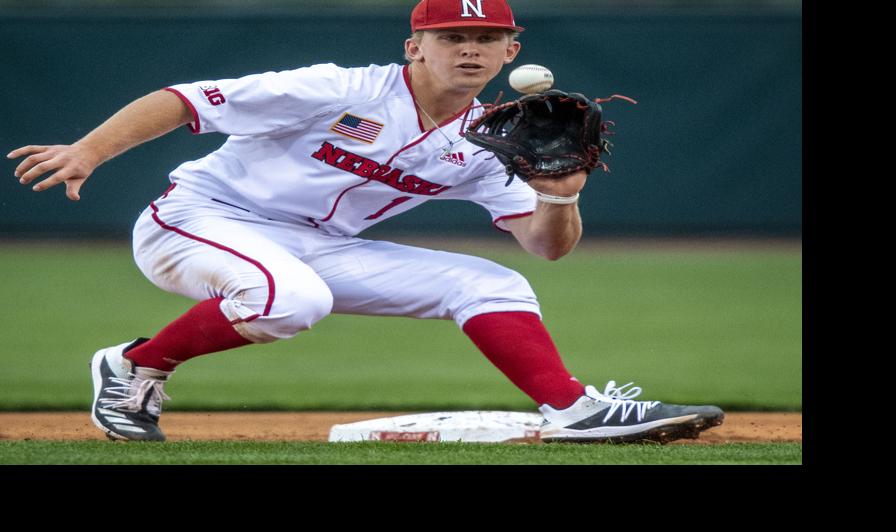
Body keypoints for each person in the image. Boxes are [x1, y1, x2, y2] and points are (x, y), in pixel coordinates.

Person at [6, 0, 723, 444]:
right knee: (293, 300)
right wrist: (89, 151)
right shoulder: (338, 88)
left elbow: (547, 249)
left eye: (487, 38)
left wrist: (561, 195)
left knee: (490, 284)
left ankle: (572, 409)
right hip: (199, 219)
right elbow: (185, 99)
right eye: (448, 37)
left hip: (315, 245)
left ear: (512, 51)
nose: (468, 49)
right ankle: (135, 366)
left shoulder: (488, 139)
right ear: (415, 46)